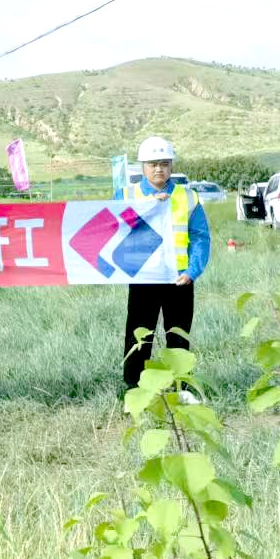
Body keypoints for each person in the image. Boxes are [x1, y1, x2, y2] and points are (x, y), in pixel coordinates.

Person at [119, 135, 209, 395]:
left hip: (179, 280)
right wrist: (148, 206)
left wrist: (192, 271)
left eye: (164, 163)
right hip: (144, 279)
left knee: (178, 336)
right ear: (143, 167)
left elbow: (200, 237)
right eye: (153, 164)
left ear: (171, 165)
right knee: (138, 336)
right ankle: (135, 388)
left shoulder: (188, 197)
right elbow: (116, 230)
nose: (159, 169)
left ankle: (181, 388)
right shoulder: (126, 195)